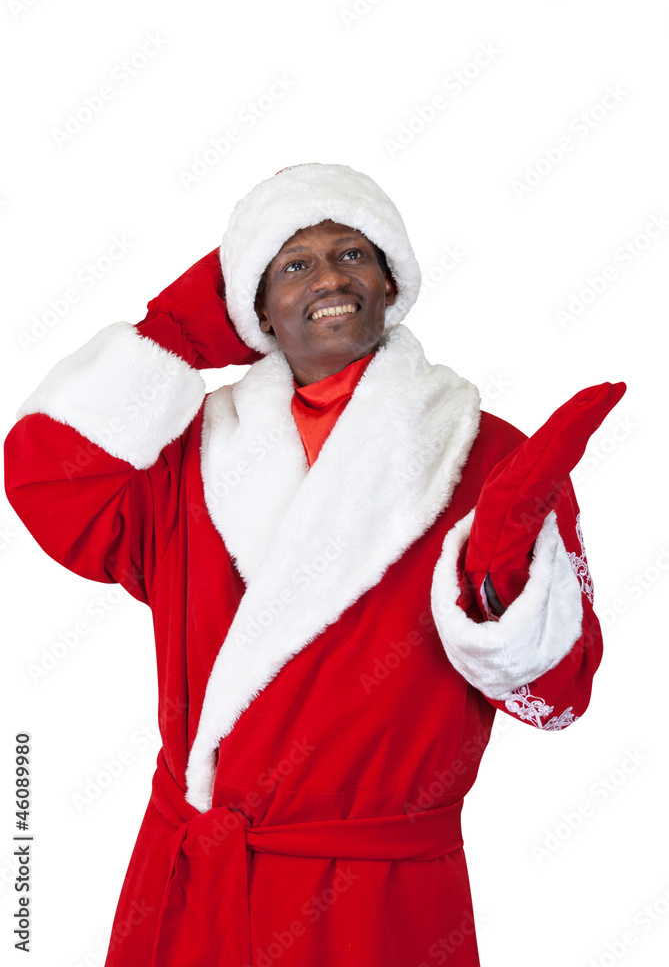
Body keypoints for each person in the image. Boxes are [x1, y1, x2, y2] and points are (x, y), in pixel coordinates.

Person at [4, 162, 625, 966]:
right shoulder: (186, 456)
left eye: (352, 255)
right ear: (255, 309)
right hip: (197, 877)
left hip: (376, 897)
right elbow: (51, 476)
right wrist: (174, 335)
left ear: (390, 281)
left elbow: (559, 698)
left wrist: (502, 592)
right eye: (293, 264)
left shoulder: (489, 456)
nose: (329, 278)